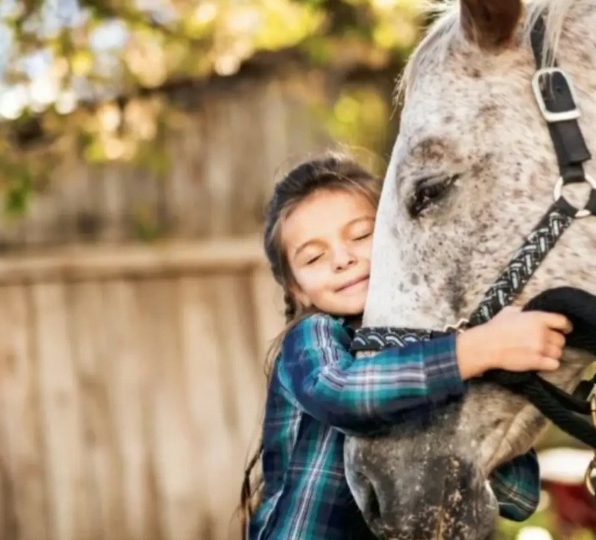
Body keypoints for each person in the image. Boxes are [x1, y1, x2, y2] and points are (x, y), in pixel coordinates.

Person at [240, 152, 573, 539]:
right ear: (297, 290)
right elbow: (341, 392)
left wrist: (496, 373)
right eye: (314, 257)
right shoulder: (313, 336)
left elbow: (517, 497)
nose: (343, 259)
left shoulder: (434, 348)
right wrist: (478, 350)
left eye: (361, 235)